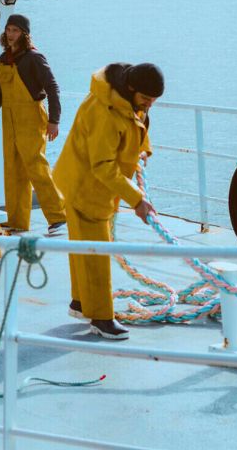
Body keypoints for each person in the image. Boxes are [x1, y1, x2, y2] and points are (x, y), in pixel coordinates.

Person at [53, 62, 163, 340]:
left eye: (153, 100)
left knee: (81, 247)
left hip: (82, 181)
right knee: (96, 254)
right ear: (131, 87)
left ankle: (80, 303)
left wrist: (142, 149)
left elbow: (137, 121)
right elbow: (102, 166)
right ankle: (101, 318)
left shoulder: (125, 99)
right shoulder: (105, 111)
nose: (149, 105)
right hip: (86, 187)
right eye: (146, 98)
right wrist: (137, 200)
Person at [0, 14, 67, 235]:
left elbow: (52, 88)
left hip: (31, 118)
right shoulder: (3, 59)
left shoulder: (34, 58)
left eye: (15, 30)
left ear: (24, 34)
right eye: (8, 29)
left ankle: (59, 218)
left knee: (37, 168)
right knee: (13, 170)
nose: (10, 34)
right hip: (10, 120)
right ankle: (17, 221)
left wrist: (54, 120)